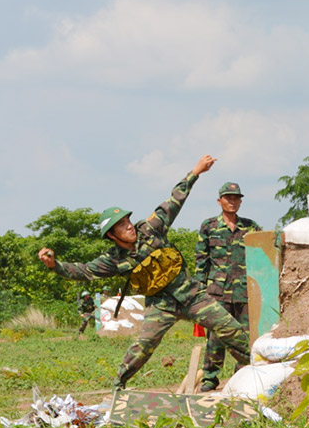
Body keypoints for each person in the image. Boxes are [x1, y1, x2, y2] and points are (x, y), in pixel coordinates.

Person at [38, 155, 251, 390]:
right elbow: (83, 271)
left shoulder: (152, 228)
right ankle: (118, 385)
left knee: (230, 329)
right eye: (121, 225)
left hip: (192, 296)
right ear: (112, 235)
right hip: (161, 305)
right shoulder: (112, 260)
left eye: (128, 221)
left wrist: (196, 171)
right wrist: (54, 265)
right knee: (144, 345)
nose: (128, 226)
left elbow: (175, 199)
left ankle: (260, 368)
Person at [195, 182, 262, 392]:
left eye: (236, 198)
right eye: (228, 198)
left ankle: (241, 376)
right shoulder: (209, 226)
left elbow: (261, 257)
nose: (232, 202)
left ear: (240, 201)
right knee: (216, 336)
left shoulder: (251, 227)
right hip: (218, 292)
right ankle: (210, 378)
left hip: (244, 292)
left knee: (245, 336)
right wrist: (198, 293)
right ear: (219, 201)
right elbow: (201, 261)